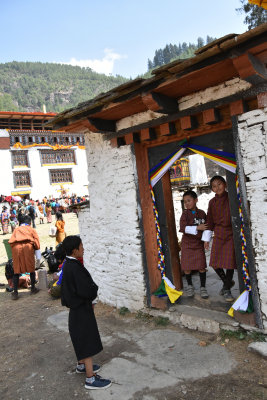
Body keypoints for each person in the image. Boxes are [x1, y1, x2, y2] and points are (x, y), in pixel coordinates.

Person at [61, 236, 112, 390]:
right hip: (81, 309)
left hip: (76, 310)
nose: (83, 249)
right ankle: (90, 378)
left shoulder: (68, 264)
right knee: (86, 340)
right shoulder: (74, 267)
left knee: (80, 337)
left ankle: (81, 365)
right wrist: (93, 292)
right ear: (75, 250)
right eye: (81, 246)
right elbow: (85, 289)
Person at [204, 175, 236, 302]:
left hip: (231, 233)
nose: (217, 188)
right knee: (214, 262)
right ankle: (227, 282)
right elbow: (210, 220)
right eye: (214, 186)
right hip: (218, 233)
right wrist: (206, 239)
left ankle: (227, 289)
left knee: (229, 263)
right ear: (212, 189)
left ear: (225, 184)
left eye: (219, 184)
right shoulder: (212, 202)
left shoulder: (231, 198)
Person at [179, 190, 209, 299]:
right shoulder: (184, 214)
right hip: (187, 244)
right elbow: (182, 228)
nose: (186, 203)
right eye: (184, 202)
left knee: (201, 266)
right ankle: (190, 286)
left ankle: (203, 287)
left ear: (196, 200)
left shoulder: (202, 213)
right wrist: (197, 227)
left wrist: (206, 240)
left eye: (189, 201)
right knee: (187, 267)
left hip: (198, 243)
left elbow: (207, 227)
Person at [8, 215, 40, 300]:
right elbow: (36, 241)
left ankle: (15, 292)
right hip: (27, 247)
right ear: (29, 222)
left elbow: (11, 242)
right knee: (31, 268)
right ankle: (33, 288)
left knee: (16, 270)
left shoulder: (16, 229)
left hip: (16, 248)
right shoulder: (31, 229)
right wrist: (37, 252)